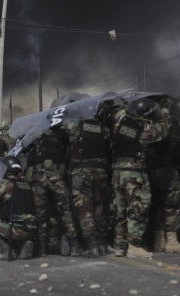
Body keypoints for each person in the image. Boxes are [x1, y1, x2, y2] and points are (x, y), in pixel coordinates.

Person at [111, 98, 171, 258]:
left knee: (121, 210)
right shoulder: (145, 129)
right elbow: (162, 132)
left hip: (118, 171)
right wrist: (165, 115)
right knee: (138, 207)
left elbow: (121, 113)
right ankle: (134, 245)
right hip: (135, 172)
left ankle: (120, 246)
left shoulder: (120, 122)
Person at [146, 100, 180, 253]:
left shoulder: (153, 125)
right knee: (172, 205)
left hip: (153, 170)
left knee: (158, 204)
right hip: (170, 170)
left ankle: (158, 241)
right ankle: (171, 241)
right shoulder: (179, 127)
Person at [26, 128, 79, 257]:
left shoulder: (35, 133)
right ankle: (75, 246)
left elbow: (26, 152)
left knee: (40, 213)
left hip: (40, 176)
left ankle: (42, 248)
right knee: (65, 211)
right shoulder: (62, 133)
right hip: (56, 176)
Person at [67, 110, 112, 257]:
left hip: (81, 172)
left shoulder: (74, 126)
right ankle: (102, 244)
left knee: (85, 209)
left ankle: (92, 246)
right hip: (100, 171)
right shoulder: (102, 127)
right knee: (99, 207)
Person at [0, 156, 37, 260]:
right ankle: (23, 245)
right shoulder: (26, 184)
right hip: (32, 230)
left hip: (15, 229)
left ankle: (6, 250)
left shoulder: (4, 184)